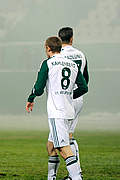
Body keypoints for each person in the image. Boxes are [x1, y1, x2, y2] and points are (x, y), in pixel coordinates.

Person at [25, 36, 88, 180]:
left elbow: (39, 88)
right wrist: (69, 95)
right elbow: (84, 87)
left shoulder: (48, 63)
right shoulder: (72, 64)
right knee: (51, 146)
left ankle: (76, 177)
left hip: (57, 112)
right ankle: (51, 177)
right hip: (69, 111)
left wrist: (31, 98)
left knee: (63, 149)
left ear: (48, 48)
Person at [58, 27, 89, 179]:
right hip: (78, 98)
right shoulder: (81, 55)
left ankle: (74, 174)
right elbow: (86, 79)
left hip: (63, 100)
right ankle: (77, 171)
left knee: (60, 140)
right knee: (69, 136)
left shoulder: (58, 56)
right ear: (72, 39)